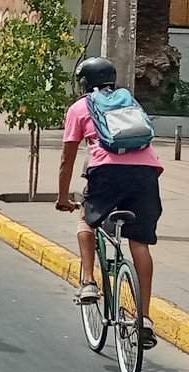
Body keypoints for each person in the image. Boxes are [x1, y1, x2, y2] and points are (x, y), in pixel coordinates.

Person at [55, 57, 162, 349]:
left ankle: (89, 281)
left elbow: (68, 159)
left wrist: (63, 197)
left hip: (106, 172)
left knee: (86, 220)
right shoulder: (131, 102)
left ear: (84, 82)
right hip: (146, 173)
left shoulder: (80, 108)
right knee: (139, 242)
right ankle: (145, 317)